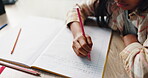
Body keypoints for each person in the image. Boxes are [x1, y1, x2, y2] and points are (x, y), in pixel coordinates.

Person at [66, 0, 148, 78]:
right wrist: (78, 34)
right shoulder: (110, 3)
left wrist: (131, 41)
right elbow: (76, 9)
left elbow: (143, 72)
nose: (117, 0)